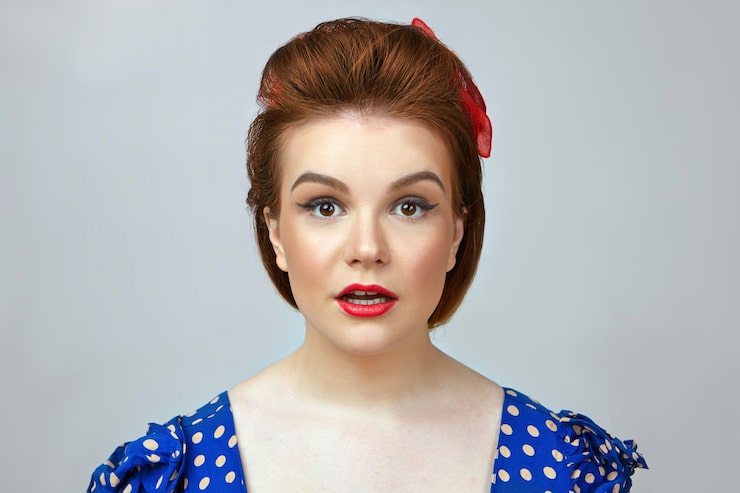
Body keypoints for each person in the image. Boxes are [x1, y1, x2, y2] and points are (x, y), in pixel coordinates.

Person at [87, 17, 647, 493]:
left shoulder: (563, 468)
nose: (367, 250)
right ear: (276, 232)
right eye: (325, 206)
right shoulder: (172, 475)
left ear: (456, 231)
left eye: (409, 206)